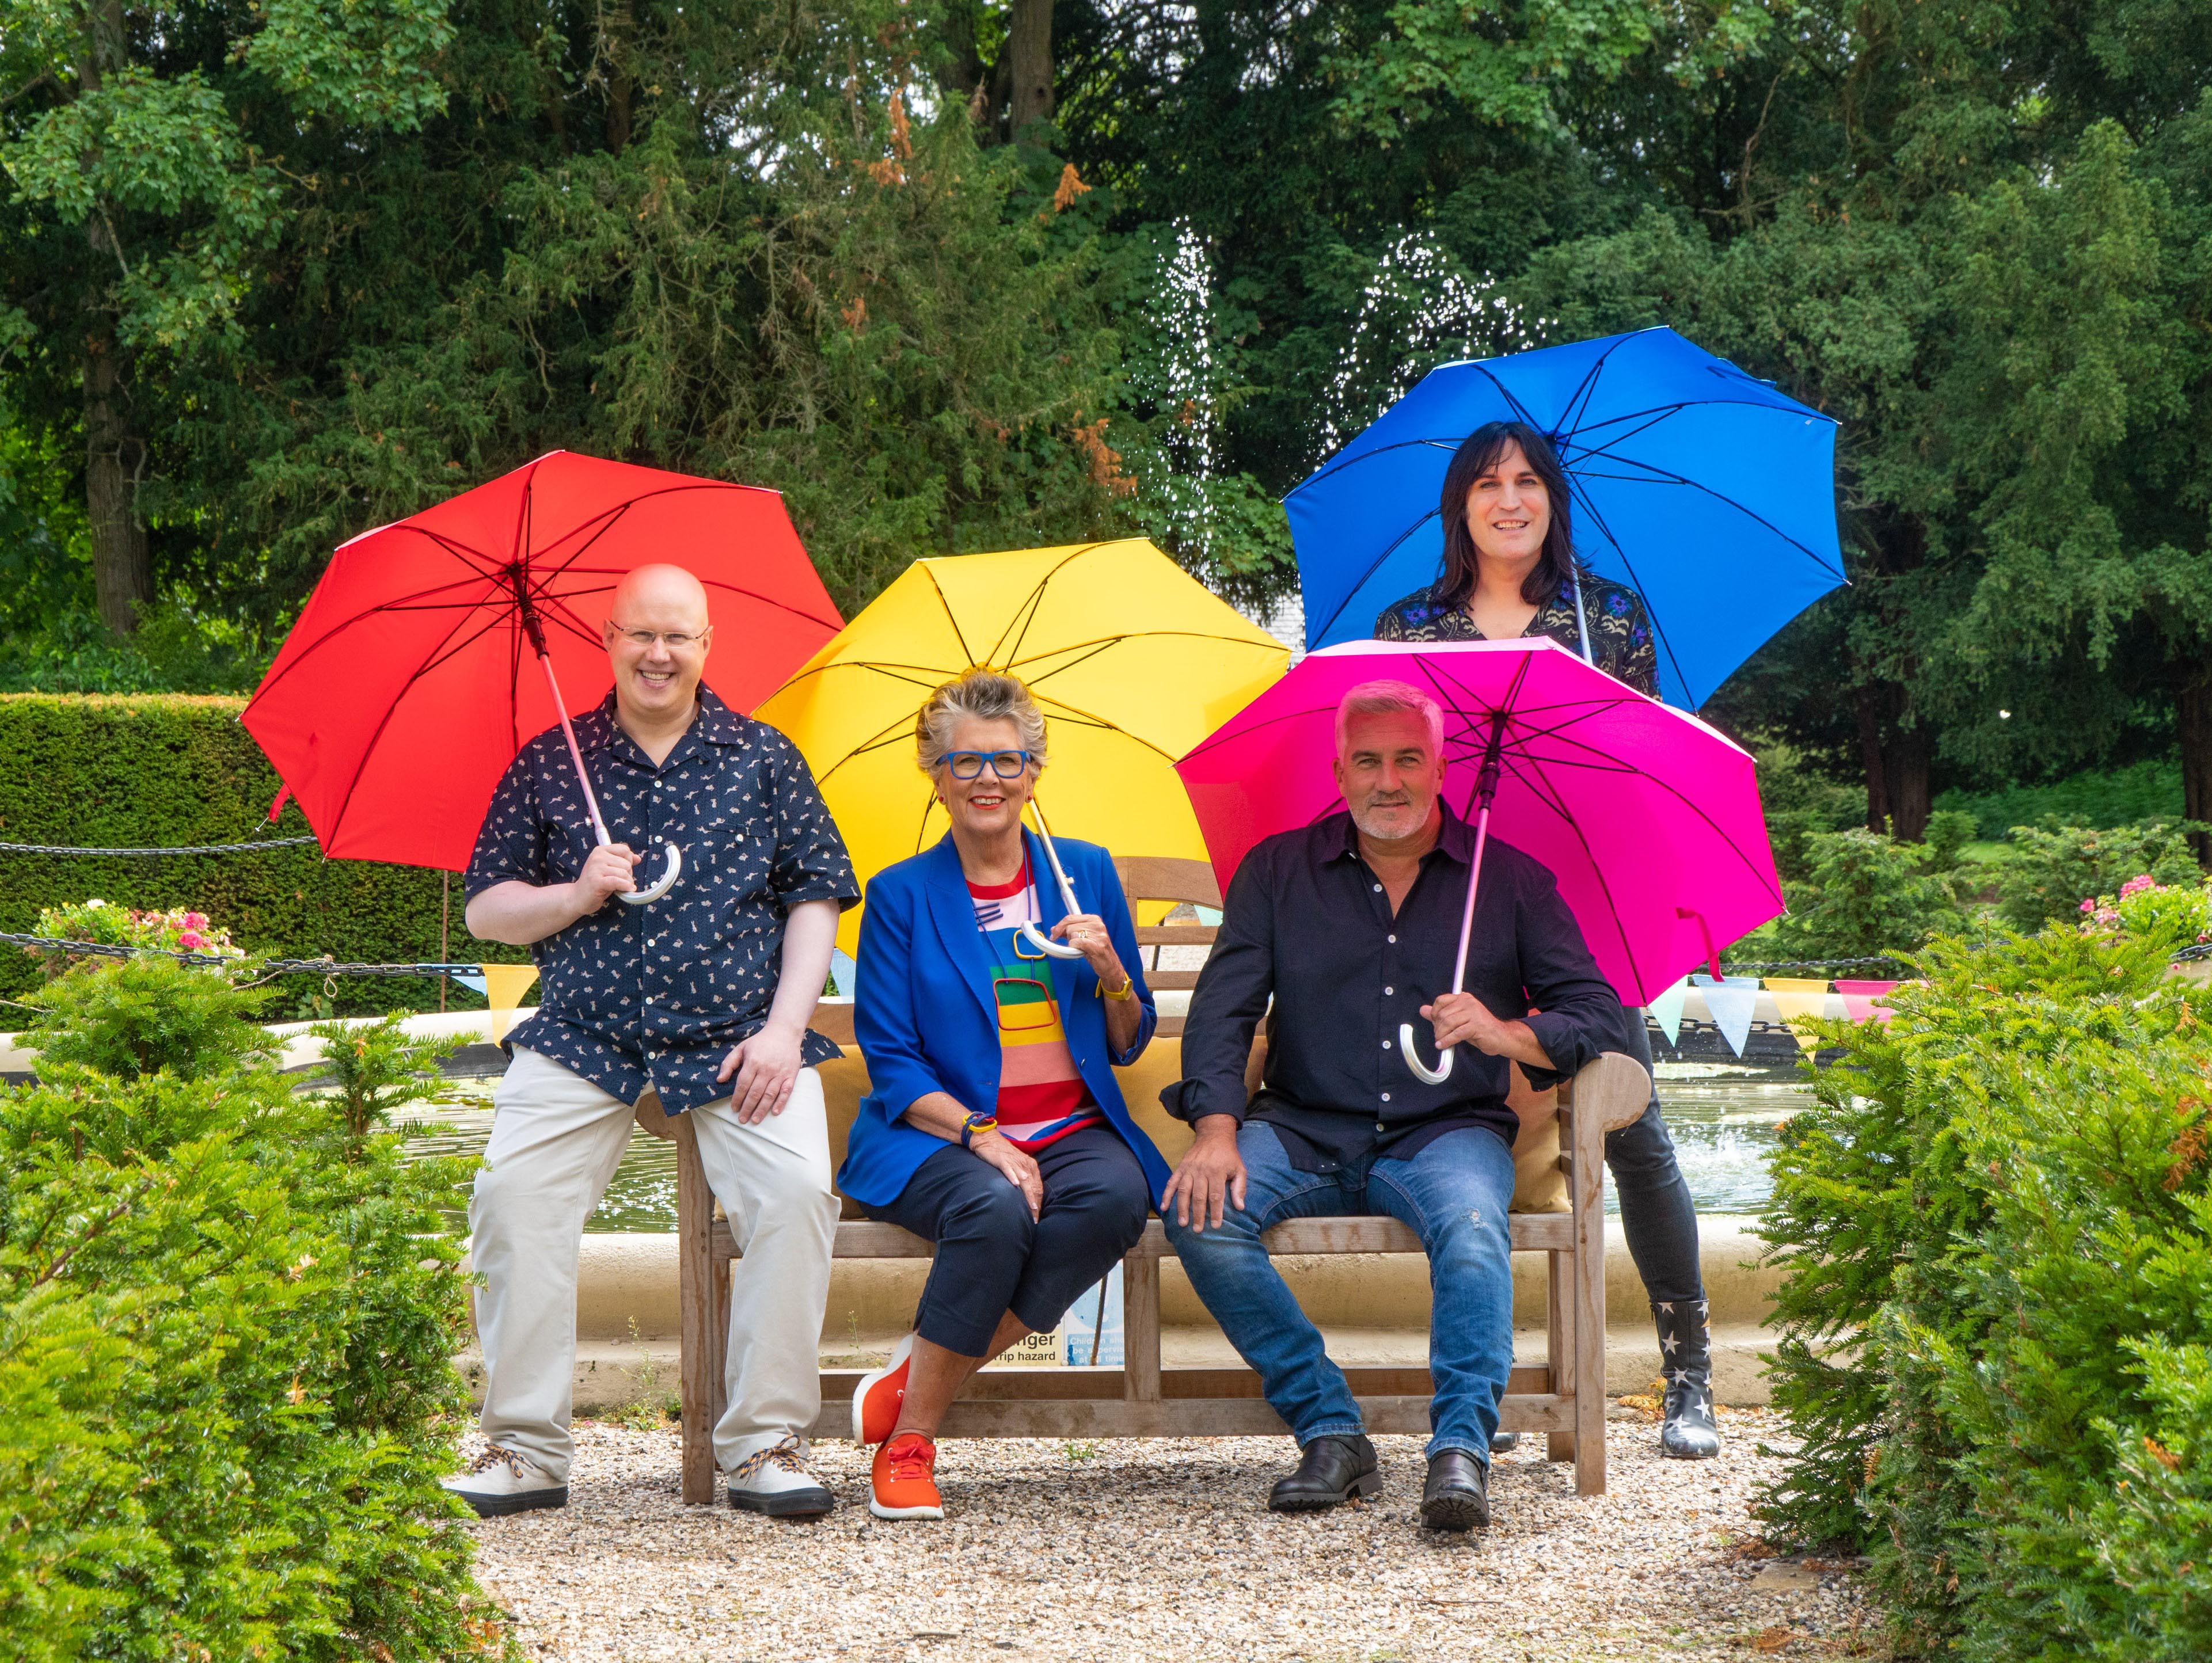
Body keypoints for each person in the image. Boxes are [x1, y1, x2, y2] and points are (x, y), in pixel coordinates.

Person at [1160, 680, 1631, 1531]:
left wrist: (1504, 1030)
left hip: (1442, 1131)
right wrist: (1216, 1128)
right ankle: (1330, 1428)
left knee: (1474, 1229)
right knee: (1200, 1214)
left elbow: (1595, 1013)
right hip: (1301, 1125)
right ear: (1338, 770)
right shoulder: (1275, 871)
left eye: (1407, 758)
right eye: (1368, 760)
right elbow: (1222, 1009)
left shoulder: (1509, 880)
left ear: (1440, 766)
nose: (1388, 779)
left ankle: (1459, 1448)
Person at [444, 564, 859, 1520]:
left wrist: (784, 1033)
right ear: (608, 638)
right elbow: (487, 912)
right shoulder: (552, 761)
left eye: (679, 636)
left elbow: (816, 899)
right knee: (511, 1199)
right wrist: (575, 893)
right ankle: (526, 1449)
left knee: (797, 1195)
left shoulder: (763, 758)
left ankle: (763, 1445)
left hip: (735, 1041)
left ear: (707, 645)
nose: (660, 654)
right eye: (641, 634)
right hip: (584, 1039)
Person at [1373, 418, 1721, 1460]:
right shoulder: (1413, 625)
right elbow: (1392, 770)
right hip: (1462, 903)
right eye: (1488, 484)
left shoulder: (1604, 615)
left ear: (1551, 498)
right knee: (1481, 1135)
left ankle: (1687, 1370)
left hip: (1584, 898)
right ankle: (1498, 1382)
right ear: (1460, 505)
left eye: (1527, 481)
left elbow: (1639, 763)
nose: (1510, 500)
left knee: (1630, 1125)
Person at [839, 669, 1170, 1523]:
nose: (987, 778)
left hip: (1069, 1124)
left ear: (1033, 771)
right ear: (935, 775)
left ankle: (916, 1374)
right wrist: (984, 1136)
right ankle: (910, 1441)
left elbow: (1129, 1035)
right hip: (939, 1135)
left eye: (1006, 760)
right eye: (965, 763)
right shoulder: (901, 895)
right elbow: (891, 1057)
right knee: (993, 1208)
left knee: (1117, 1196)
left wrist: (1109, 970)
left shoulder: (1084, 875)